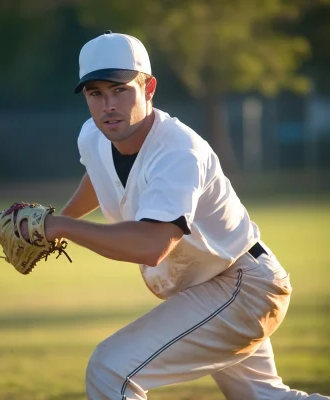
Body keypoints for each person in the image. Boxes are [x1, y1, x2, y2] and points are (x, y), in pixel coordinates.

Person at [42, 31, 329, 399]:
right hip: (212, 288)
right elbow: (102, 177)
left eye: (120, 89)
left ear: (148, 89)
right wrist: (58, 226)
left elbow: (153, 246)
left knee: (111, 368)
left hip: (241, 285)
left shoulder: (178, 150)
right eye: (95, 93)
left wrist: (61, 225)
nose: (107, 104)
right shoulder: (94, 137)